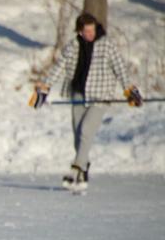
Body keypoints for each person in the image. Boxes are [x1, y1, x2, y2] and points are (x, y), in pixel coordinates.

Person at [32, 12, 142, 192]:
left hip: (99, 96)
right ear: (80, 32)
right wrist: (44, 88)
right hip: (78, 95)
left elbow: (120, 69)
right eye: (86, 31)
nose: (90, 34)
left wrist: (129, 90)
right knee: (78, 137)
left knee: (85, 132)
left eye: (92, 30)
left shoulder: (106, 45)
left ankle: (76, 169)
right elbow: (59, 67)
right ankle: (84, 166)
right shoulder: (73, 45)